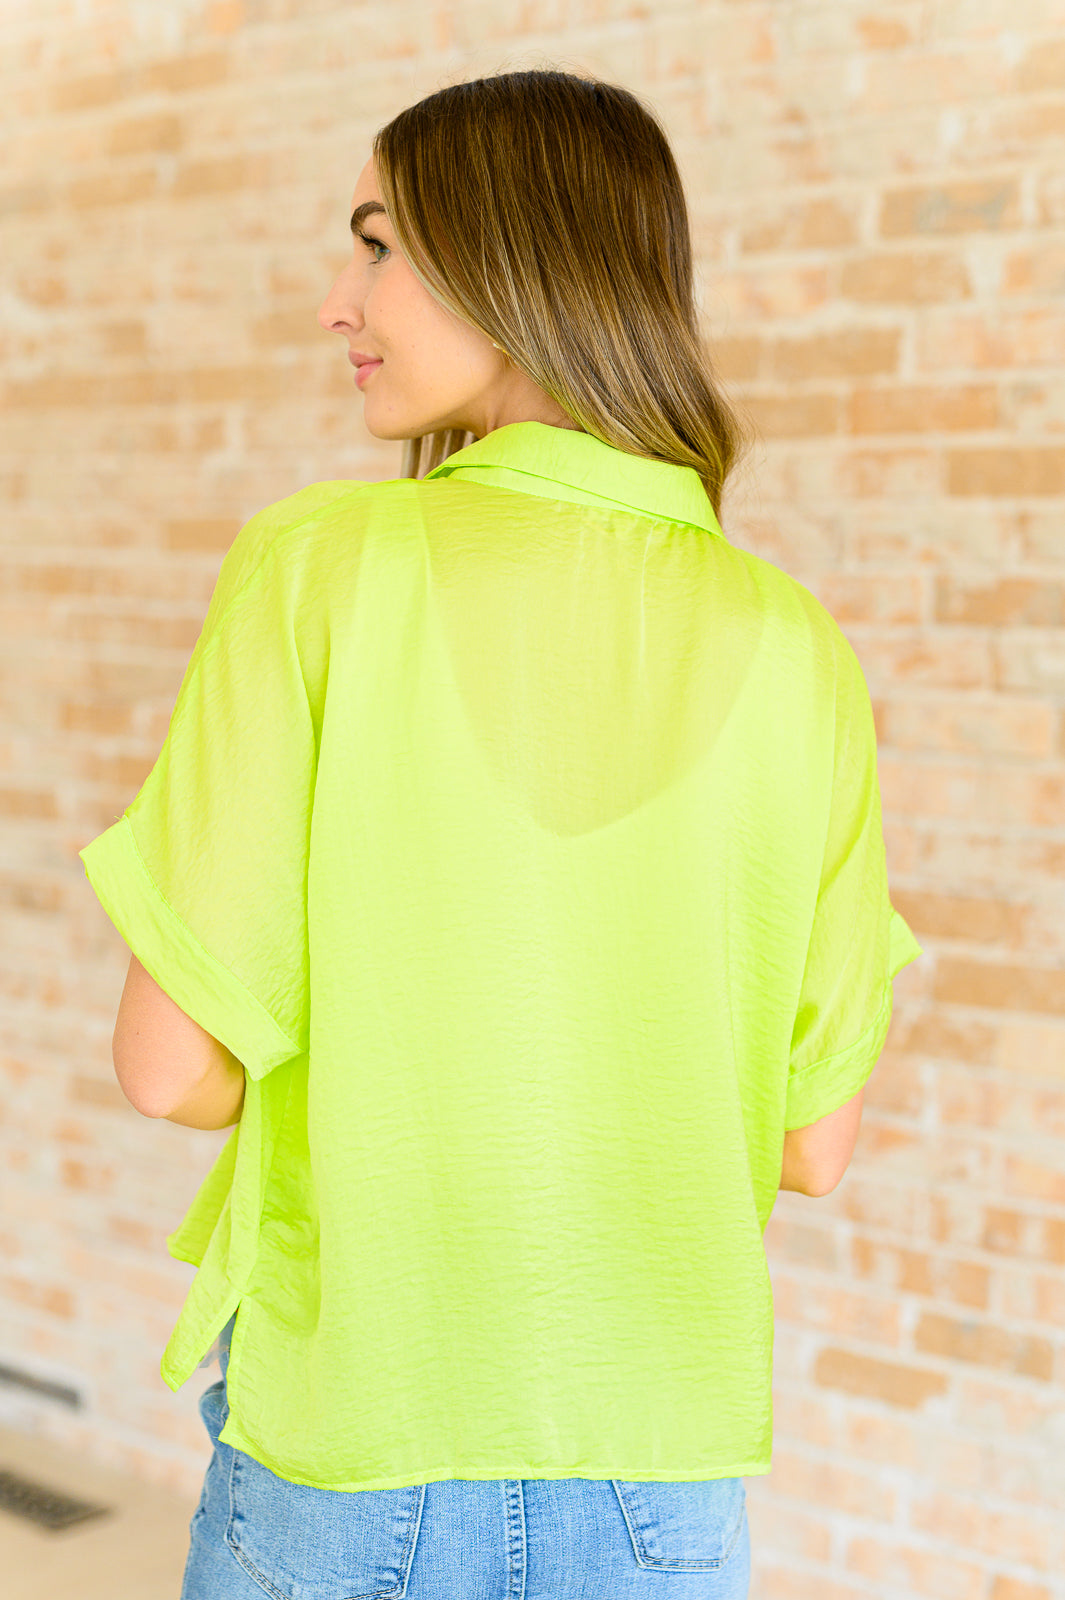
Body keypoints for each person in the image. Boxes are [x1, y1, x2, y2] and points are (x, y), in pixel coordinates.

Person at [78, 67, 922, 1600]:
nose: (338, 301)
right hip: (659, 1488)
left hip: (353, 1459)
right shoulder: (795, 646)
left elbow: (166, 1066)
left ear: (514, 259)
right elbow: (812, 1143)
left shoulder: (320, 569)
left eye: (377, 244)